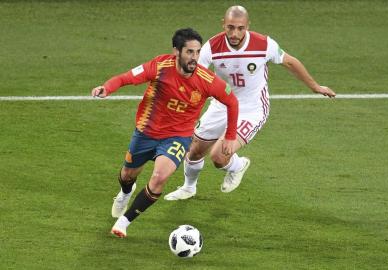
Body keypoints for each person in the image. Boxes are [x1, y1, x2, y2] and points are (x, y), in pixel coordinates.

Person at [164, 6, 336, 201]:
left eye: (240, 28)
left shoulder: (263, 44)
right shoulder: (212, 47)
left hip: (251, 109)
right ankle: (188, 188)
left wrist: (315, 87)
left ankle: (238, 166)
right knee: (194, 151)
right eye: (230, 27)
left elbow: (290, 62)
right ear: (223, 24)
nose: (235, 33)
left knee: (219, 157)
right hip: (222, 105)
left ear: (247, 26)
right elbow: (194, 74)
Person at [91, 28, 239, 238]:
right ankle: (126, 192)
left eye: (197, 52)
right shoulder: (160, 66)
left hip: (178, 137)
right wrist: (107, 88)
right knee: (127, 176)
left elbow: (231, 101)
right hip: (146, 133)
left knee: (160, 177)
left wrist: (231, 136)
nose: (194, 58)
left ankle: (124, 222)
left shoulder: (207, 79)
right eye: (189, 52)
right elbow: (126, 78)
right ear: (176, 51)